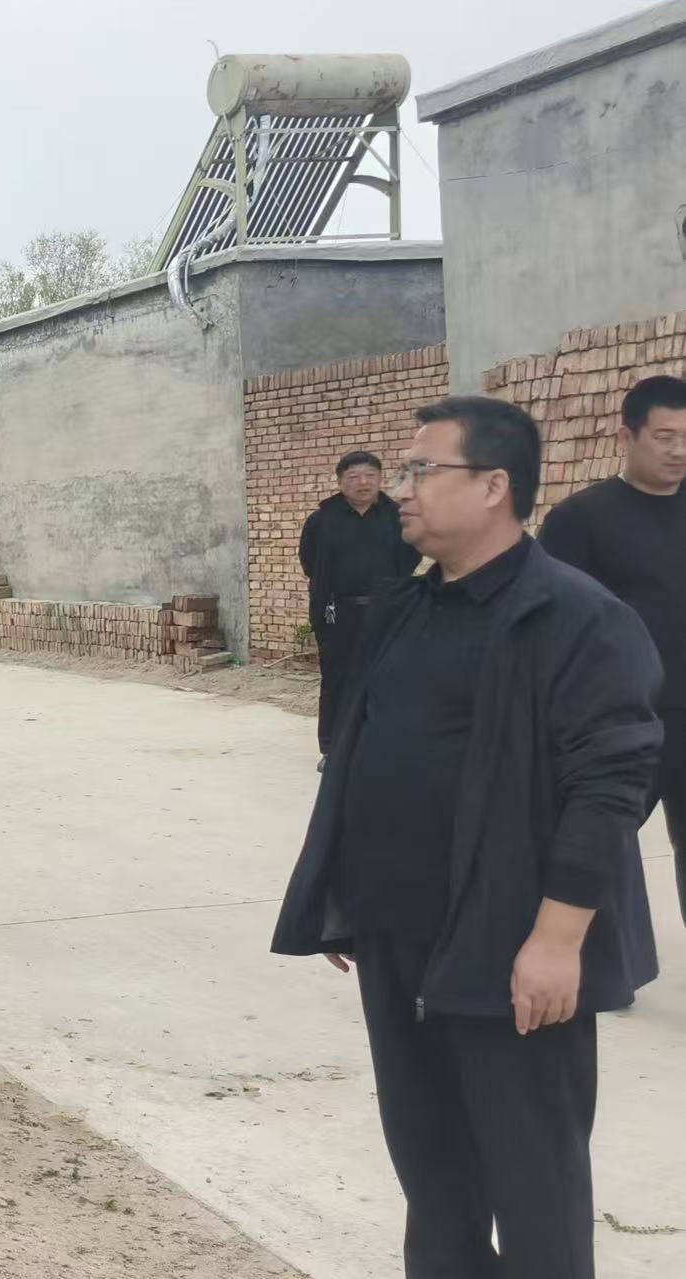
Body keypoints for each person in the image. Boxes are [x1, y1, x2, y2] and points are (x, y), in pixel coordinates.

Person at [270, 397, 662, 1279]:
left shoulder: (575, 617)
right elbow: (364, 751)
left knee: (532, 1180)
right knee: (432, 1175)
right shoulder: (406, 608)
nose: (400, 489)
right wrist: (344, 894)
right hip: (396, 937)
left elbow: (608, 789)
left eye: (421, 470)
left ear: (493, 486)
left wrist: (556, 939)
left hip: (510, 942)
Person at [538, 373, 686, 927]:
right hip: (621, 722)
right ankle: (574, 955)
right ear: (626, 437)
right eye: (665, 437)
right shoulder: (579, 520)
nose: (679, 450)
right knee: (591, 850)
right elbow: (552, 625)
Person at [299, 450, 419, 759]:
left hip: (387, 611)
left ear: (380, 479)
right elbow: (309, 562)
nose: (362, 482)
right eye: (353, 477)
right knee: (337, 681)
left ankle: (380, 744)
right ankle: (333, 749)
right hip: (338, 614)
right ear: (340, 482)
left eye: (370, 475)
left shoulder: (397, 516)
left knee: (387, 678)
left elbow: (411, 556)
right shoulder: (322, 520)